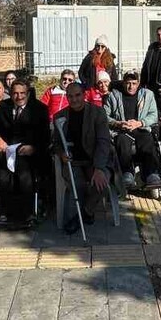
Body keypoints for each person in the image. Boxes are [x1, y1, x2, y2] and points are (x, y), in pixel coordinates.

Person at [53, 82, 112, 233]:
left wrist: (99, 168)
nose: (74, 99)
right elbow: (56, 143)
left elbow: (103, 141)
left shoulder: (97, 113)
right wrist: (61, 153)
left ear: (84, 95)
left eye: (78, 95)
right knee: (77, 184)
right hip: (73, 162)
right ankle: (84, 214)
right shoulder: (60, 116)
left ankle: (85, 213)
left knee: (101, 184)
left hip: (94, 160)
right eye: (70, 96)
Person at [0, 79, 50, 225]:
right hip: (7, 151)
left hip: (28, 152)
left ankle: (26, 213)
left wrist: (33, 147)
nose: (19, 97)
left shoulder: (39, 109)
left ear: (28, 94)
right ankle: (4, 211)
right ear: (10, 94)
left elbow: (45, 136)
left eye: (22, 93)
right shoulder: (3, 106)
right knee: (3, 176)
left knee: (25, 176)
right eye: (15, 93)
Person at [103, 71, 161, 191]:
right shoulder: (113, 96)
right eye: (128, 83)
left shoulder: (147, 95)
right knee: (122, 141)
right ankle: (127, 173)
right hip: (122, 130)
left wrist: (140, 123)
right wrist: (118, 123)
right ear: (123, 83)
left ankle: (151, 174)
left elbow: (153, 115)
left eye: (134, 83)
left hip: (141, 128)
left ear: (138, 83)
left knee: (147, 139)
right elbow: (104, 116)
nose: (131, 86)